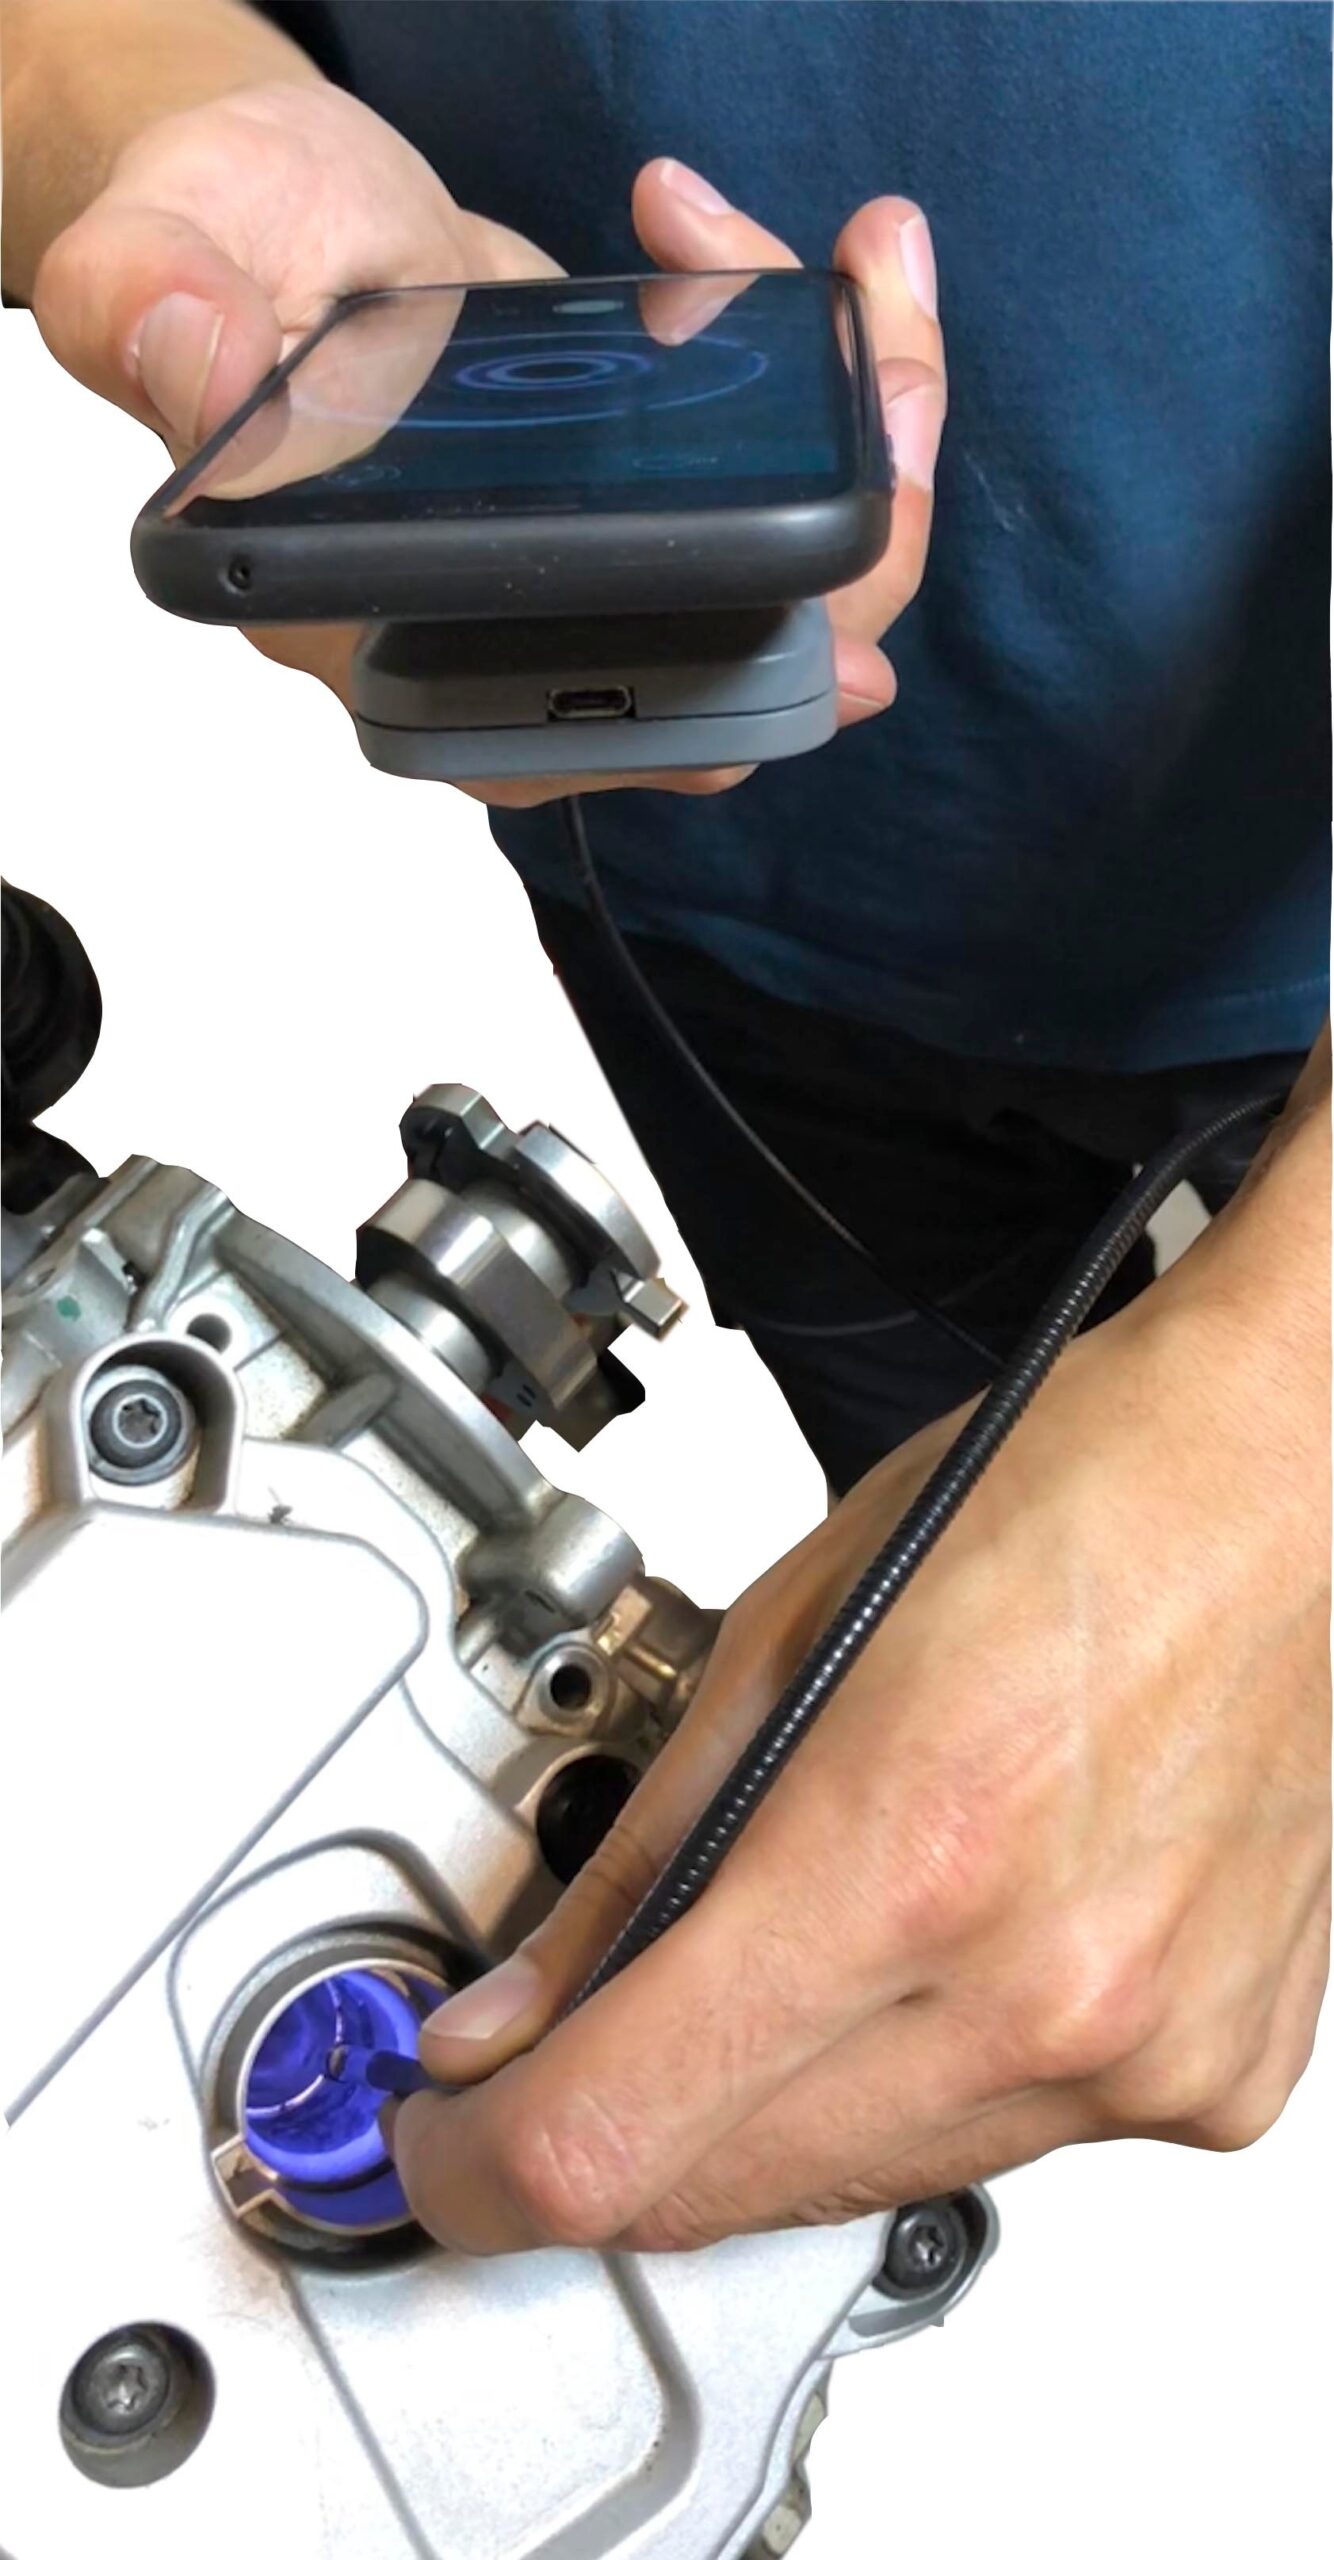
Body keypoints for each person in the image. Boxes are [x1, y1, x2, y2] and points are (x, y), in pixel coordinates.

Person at [3, 0, 1328, 2258]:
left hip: (1281, 925)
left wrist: (1292, 1445)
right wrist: (145, 105)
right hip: (736, 935)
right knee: (944, 1627)